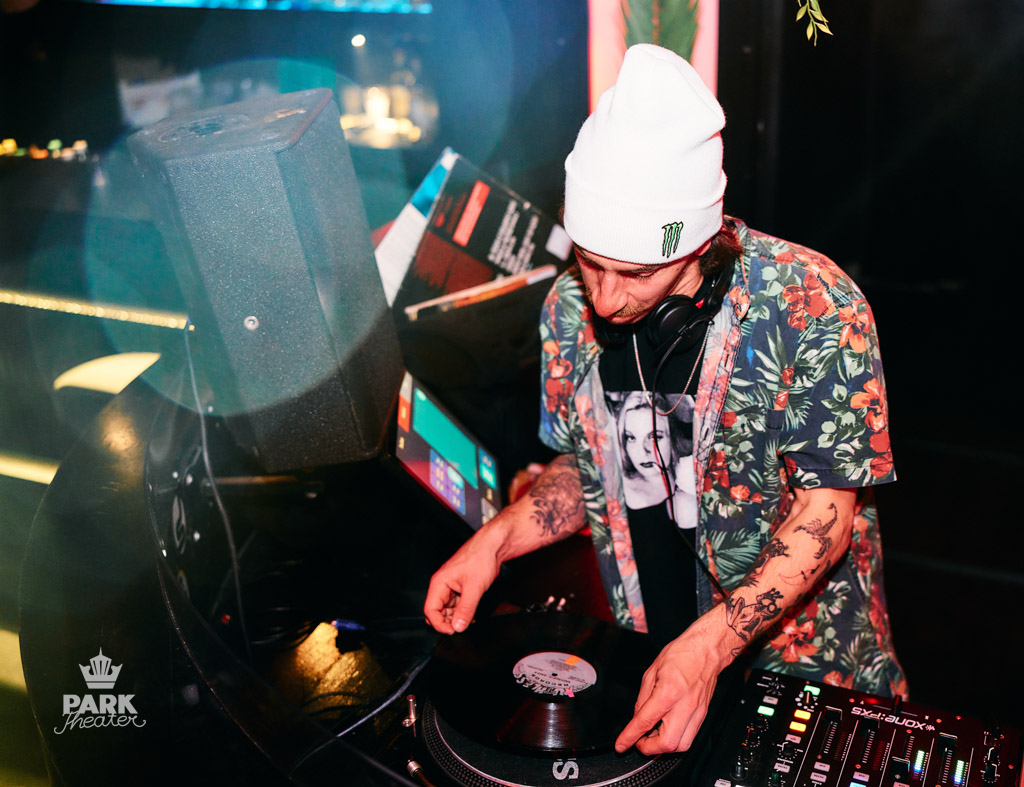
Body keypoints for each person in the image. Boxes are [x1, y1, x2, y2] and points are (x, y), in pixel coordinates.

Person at [424, 43, 905, 757]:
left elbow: (826, 515)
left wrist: (708, 649)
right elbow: (588, 468)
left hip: (799, 671)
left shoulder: (814, 307)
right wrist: (494, 542)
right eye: (589, 262)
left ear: (697, 242)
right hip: (644, 658)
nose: (604, 299)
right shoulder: (567, 310)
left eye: (635, 274)